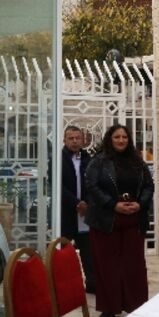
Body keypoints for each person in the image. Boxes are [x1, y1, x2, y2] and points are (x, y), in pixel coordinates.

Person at [84, 124, 152, 317]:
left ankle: (136, 305)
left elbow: (149, 186)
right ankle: (109, 308)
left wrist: (140, 204)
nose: (121, 140)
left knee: (134, 265)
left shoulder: (138, 162)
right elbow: (92, 186)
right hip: (106, 220)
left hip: (133, 218)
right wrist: (113, 205)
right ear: (109, 139)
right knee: (108, 266)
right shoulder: (98, 162)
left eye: (124, 137)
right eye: (117, 137)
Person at [60, 125, 96, 293]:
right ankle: (66, 287)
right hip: (67, 213)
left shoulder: (89, 159)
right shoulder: (58, 159)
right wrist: (76, 203)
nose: (75, 141)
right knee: (65, 253)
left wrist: (87, 203)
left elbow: (94, 184)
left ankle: (92, 284)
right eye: (71, 138)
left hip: (86, 214)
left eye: (77, 138)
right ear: (64, 140)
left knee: (89, 252)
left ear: (82, 140)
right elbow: (58, 186)